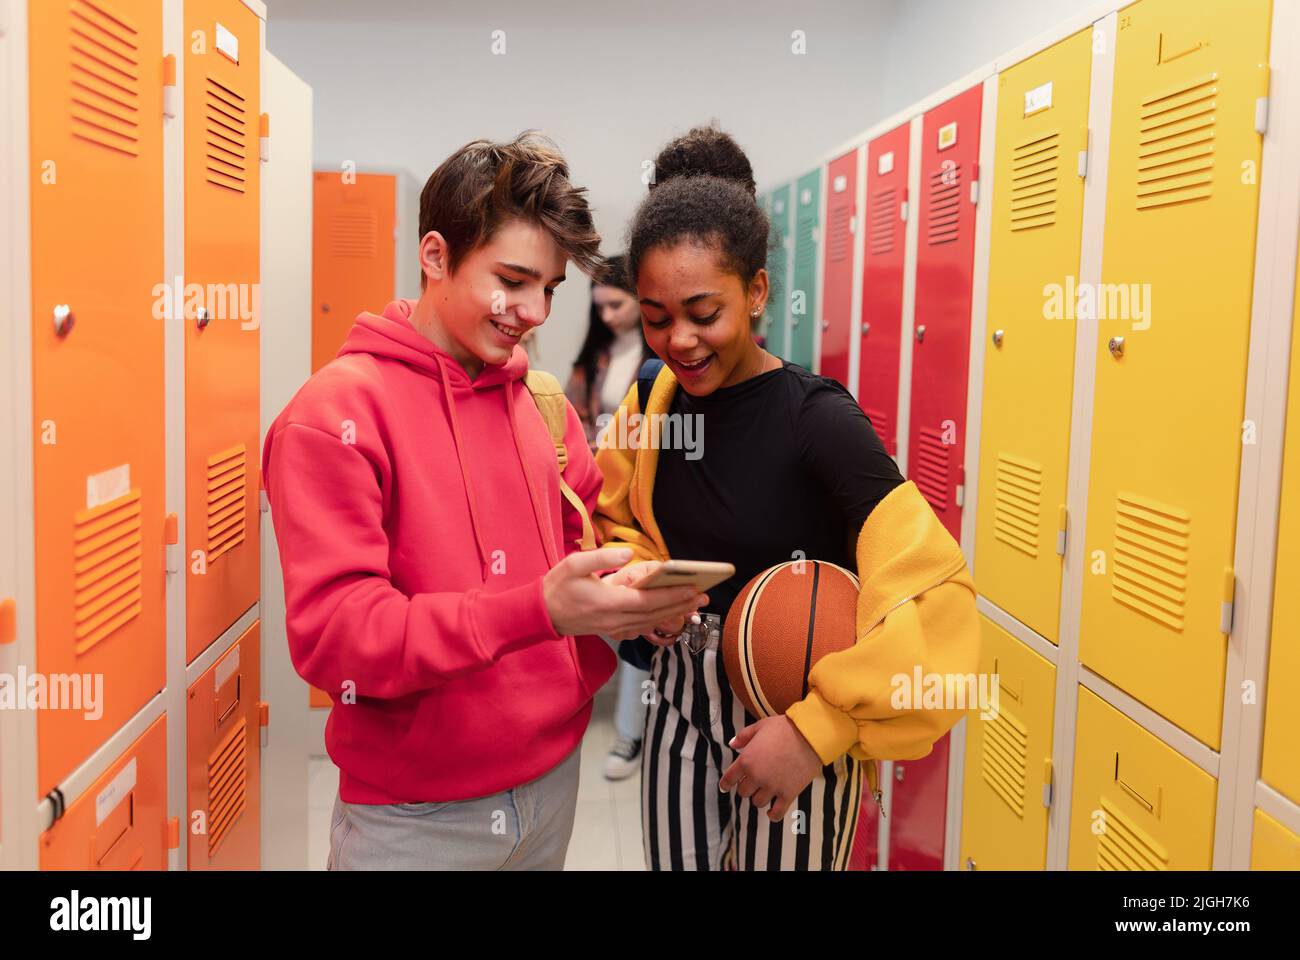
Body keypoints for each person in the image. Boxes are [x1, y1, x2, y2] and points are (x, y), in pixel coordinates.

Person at [262, 132, 707, 870]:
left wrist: (634, 594)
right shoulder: (334, 416)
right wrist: (538, 609)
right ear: (435, 256)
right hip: (415, 821)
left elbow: (587, 531)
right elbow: (335, 637)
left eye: (551, 288)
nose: (534, 310)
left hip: (550, 784)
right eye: (513, 279)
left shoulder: (536, 397)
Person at [594, 126, 980, 870]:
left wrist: (818, 730)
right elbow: (612, 516)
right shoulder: (651, 399)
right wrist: (641, 584)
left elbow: (939, 600)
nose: (680, 340)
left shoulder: (818, 419)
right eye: (656, 317)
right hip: (676, 704)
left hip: (792, 710)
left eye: (704, 314)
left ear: (758, 290)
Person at [564, 255, 657, 779]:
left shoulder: (658, 363)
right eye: (599, 308)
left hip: (643, 500)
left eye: (617, 304)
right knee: (614, 611)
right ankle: (619, 728)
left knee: (638, 616)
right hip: (597, 495)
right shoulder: (593, 361)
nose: (608, 317)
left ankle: (629, 736)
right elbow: (570, 424)